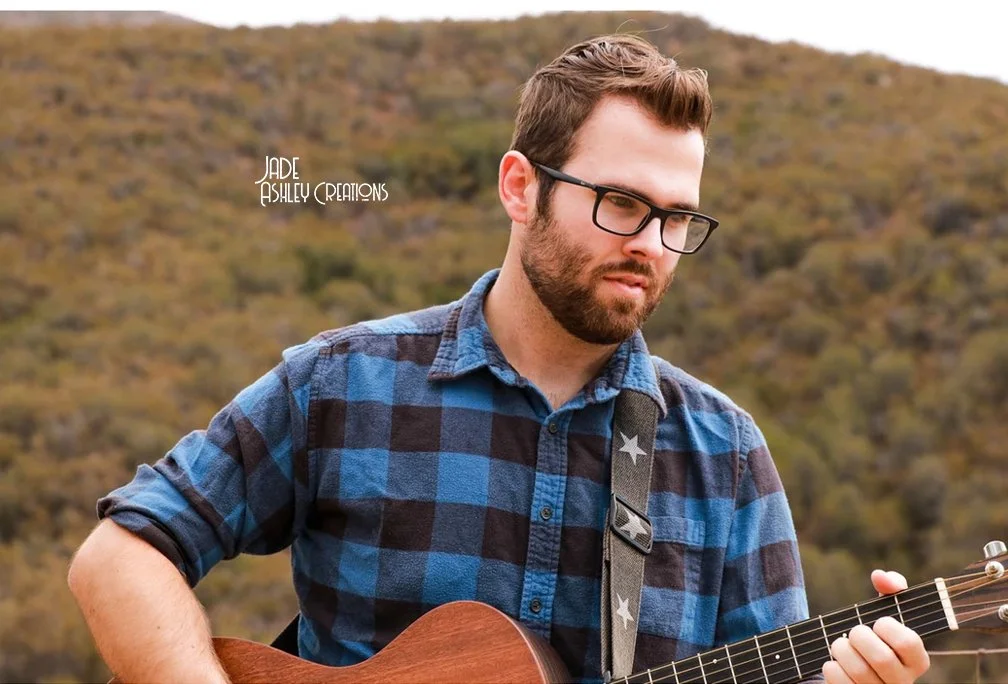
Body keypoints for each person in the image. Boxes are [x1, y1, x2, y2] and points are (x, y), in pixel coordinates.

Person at [67, 34, 931, 684]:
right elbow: (119, 557)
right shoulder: (344, 384)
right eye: (623, 203)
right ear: (522, 187)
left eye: (677, 218)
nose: (652, 245)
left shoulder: (726, 457)